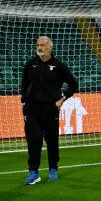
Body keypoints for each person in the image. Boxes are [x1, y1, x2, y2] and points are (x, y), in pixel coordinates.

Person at [21, 36, 78, 185]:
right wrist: (24, 101)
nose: (39, 47)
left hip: (50, 109)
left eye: (42, 45)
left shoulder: (59, 66)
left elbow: (73, 84)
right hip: (32, 109)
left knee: (52, 140)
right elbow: (24, 85)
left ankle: (53, 168)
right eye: (37, 45)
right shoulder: (30, 64)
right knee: (34, 139)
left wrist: (62, 99)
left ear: (49, 47)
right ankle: (33, 172)